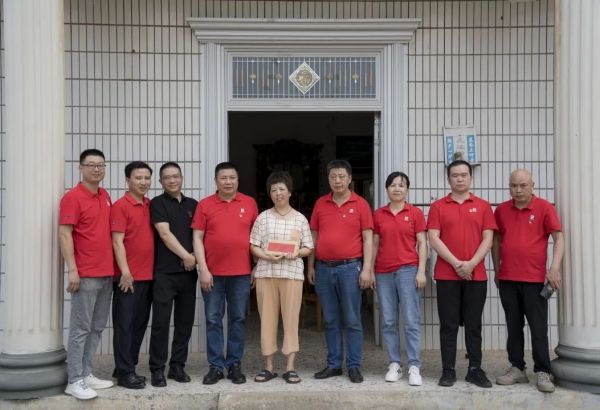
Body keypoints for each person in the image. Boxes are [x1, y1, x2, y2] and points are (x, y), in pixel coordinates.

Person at [492, 169, 564, 393]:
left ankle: (543, 370)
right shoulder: (501, 210)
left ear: (533, 185)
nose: (518, 190)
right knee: (513, 326)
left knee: (538, 327)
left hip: (535, 279)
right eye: (514, 185)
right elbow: (496, 241)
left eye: (523, 185)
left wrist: (554, 268)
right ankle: (517, 368)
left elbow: (558, 238)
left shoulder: (545, 208)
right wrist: (497, 270)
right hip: (507, 278)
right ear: (509, 186)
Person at [427, 160, 497, 388]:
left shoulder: (483, 206)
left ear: (471, 178)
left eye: (464, 175)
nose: (459, 179)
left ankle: (475, 369)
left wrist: (472, 264)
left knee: (474, 325)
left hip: (476, 276)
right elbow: (433, 238)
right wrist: (458, 264)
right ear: (448, 179)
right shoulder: (438, 207)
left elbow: (488, 239)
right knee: (448, 325)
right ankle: (448, 370)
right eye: (455, 175)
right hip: (447, 275)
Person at [307, 159, 374, 383]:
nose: (337, 181)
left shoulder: (361, 204)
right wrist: (310, 265)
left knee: (352, 319)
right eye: (333, 176)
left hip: (350, 268)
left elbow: (368, 238)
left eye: (342, 176)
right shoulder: (320, 204)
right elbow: (314, 237)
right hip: (324, 269)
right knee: (330, 319)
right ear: (328, 179)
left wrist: (367, 269)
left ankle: (354, 366)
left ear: (349, 179)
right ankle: (334, 364)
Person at [192, 162, 258, 385]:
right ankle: (216, 367)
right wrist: (203, 269)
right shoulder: (205, 205)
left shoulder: (249, 203)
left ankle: (234, 365)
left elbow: (257, 238)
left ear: (237, 180)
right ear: (216, 181)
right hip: (213, 275)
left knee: (238, 318)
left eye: (232, 178)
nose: (228, 182)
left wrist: (256, 266)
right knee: (213, 320)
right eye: (223, 178)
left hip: (241, 274)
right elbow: (197, 238)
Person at [59, 149, 114, 400]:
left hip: (106, 272)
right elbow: (64, 234)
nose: (96, 169)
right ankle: (74, 380)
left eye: (100, 165)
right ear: (80, 167)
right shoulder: (72, 198)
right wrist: (72, 269)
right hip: (85, 274)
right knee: (80, 328)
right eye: (91, 165)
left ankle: (86, 372)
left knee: (97, 327)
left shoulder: (105, 195)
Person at [250, 171, 314, 384]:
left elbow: (308, 247)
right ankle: (268, 367)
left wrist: (295, 253)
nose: (278, 193)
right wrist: (266, 255)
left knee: (291, 320)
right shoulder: (263, 218)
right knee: (267, 320)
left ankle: (290, 367)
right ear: (269, 194)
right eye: (274, 190)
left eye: (282, 189)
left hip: (291, 275)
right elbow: (253, 246)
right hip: (266, 273)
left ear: (290, 192)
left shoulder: (300, 218)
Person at [372, 172, 427, 386]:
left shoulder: (415, 213)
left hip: (408, 270)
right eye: (393, 185)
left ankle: (414, 366)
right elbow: (375, 244)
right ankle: (394, 363)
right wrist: (370, 269)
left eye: (401, 185)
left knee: (411, 320)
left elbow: (422, 243)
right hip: (383, 272)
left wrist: (421, 271)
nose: (397, 188)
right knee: (388, 321)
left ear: (407, 189)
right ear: (387, 189)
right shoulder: (379, 214)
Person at [148, 162, 198, 387]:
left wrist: (194, 257)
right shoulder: (157, 203)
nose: (172, 180)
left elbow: (199, 235)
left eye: (176, 176)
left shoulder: (193, 205)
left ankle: (177, 366)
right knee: (161, 322)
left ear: (182, 178)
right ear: (161, 182)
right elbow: (165, 234)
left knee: (184, 322)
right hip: (165, 273)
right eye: (167, 177)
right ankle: (157, 368)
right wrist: (187, 256)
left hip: (188, 274)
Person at [110, 161, 154, 389]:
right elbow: (117, 242)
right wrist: (125, 272)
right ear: (128, 180)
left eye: (147, 178)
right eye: (138, 178)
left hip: (148, 276)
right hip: (127, 278)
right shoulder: (120, 206)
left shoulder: (149, 204)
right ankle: (125, 373)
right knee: (124, 326)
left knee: (138, 325)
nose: (143, 182)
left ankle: (126, 366)